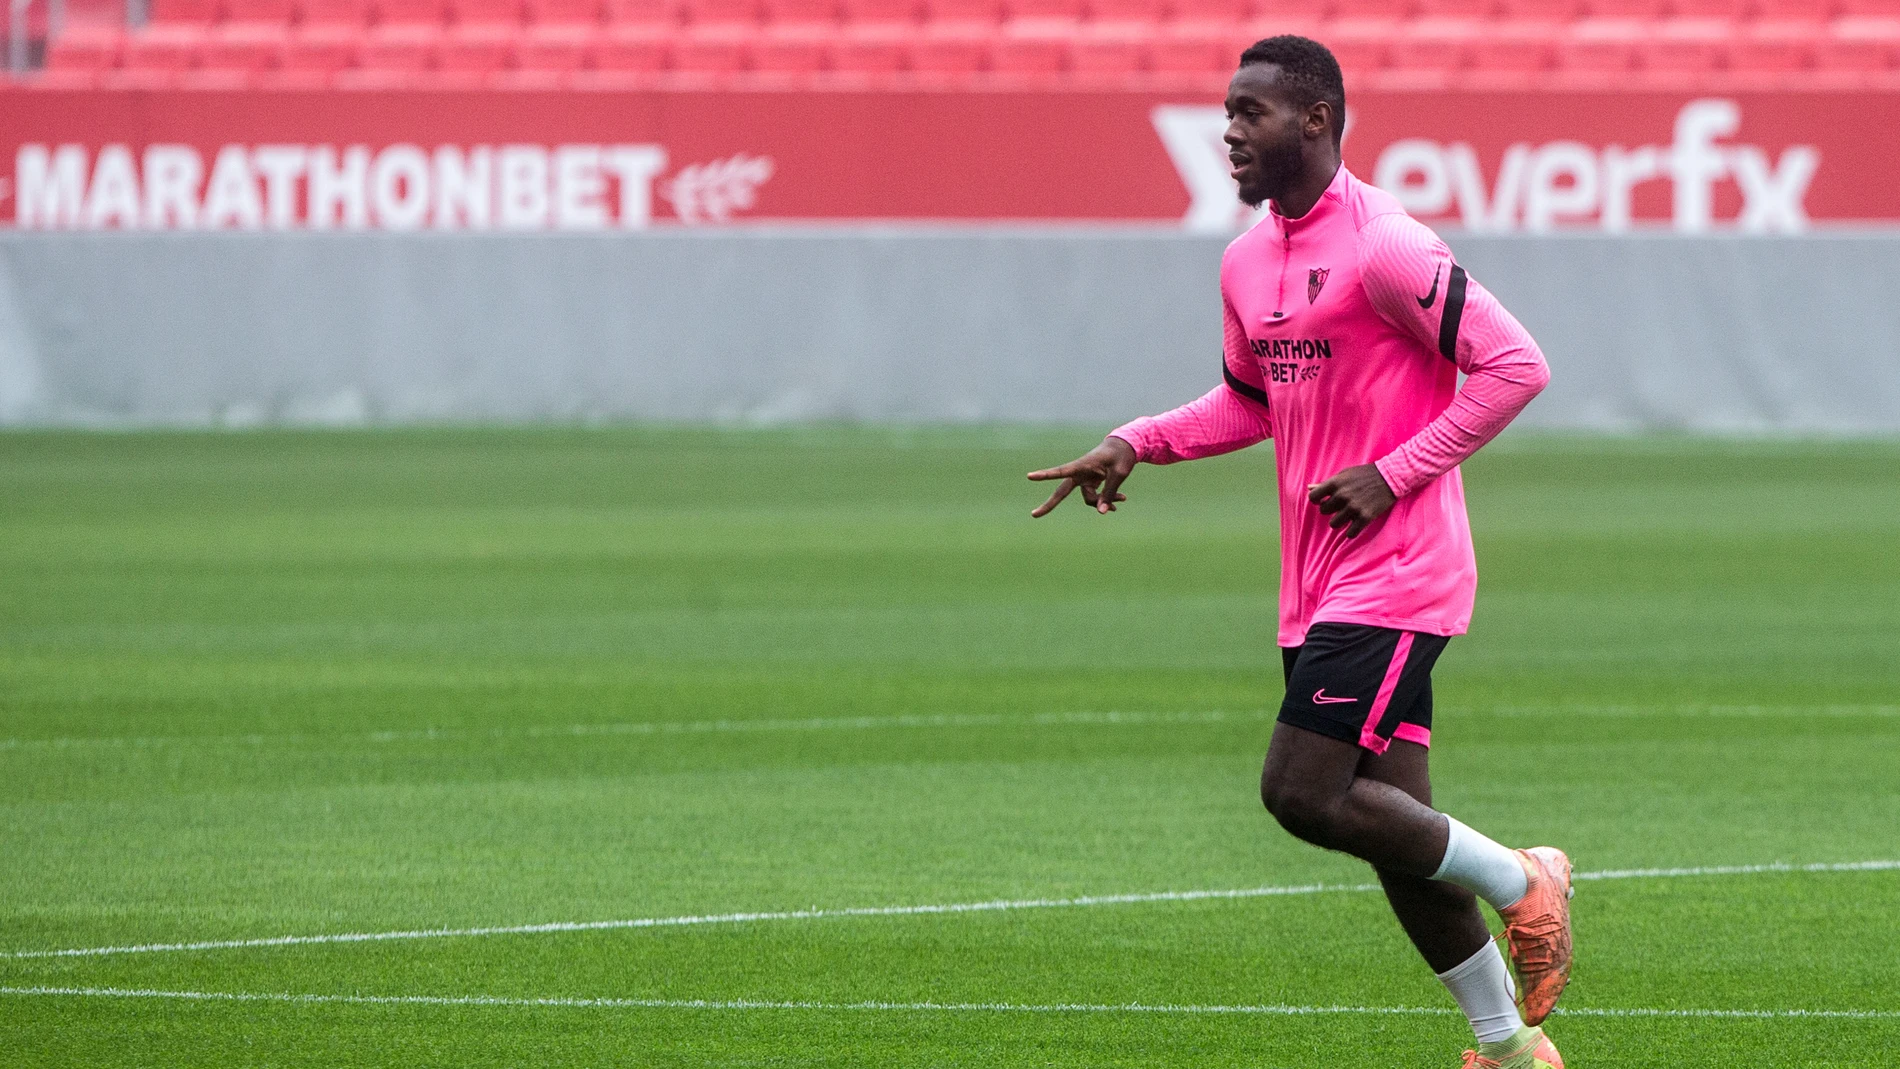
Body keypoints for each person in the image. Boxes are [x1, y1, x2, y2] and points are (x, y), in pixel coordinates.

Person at [1026, 35, 1570, 1069]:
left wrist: (1396, 471)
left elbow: (1514, 365)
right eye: (1225, 113)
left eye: (1249, 113)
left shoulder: (1386, 245)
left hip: (1401, 567)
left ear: (1315, 121)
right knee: (1387, 825)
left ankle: (1524, 878)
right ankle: (1506, 1047)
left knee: (1302, 792)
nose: (1227, 132)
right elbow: (1247, 399)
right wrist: (1137, 439)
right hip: (1319, 577)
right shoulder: (1245, 259)